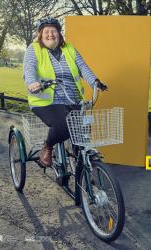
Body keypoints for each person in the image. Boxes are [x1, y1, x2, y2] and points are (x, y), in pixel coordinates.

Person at [23, 17, 107, 168]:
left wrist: (95, 82)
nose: (50, 34)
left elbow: (83, 68)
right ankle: (48, 146)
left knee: (81, 130)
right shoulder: (33, 49)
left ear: (59, 34)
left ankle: (82, 169)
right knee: (64, 123)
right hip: (46, 101)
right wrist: (32, 83)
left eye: (53, 31)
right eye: (46, 31)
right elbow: (29, 68)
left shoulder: (69, 49)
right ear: (40, 35)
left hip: (72, 99)